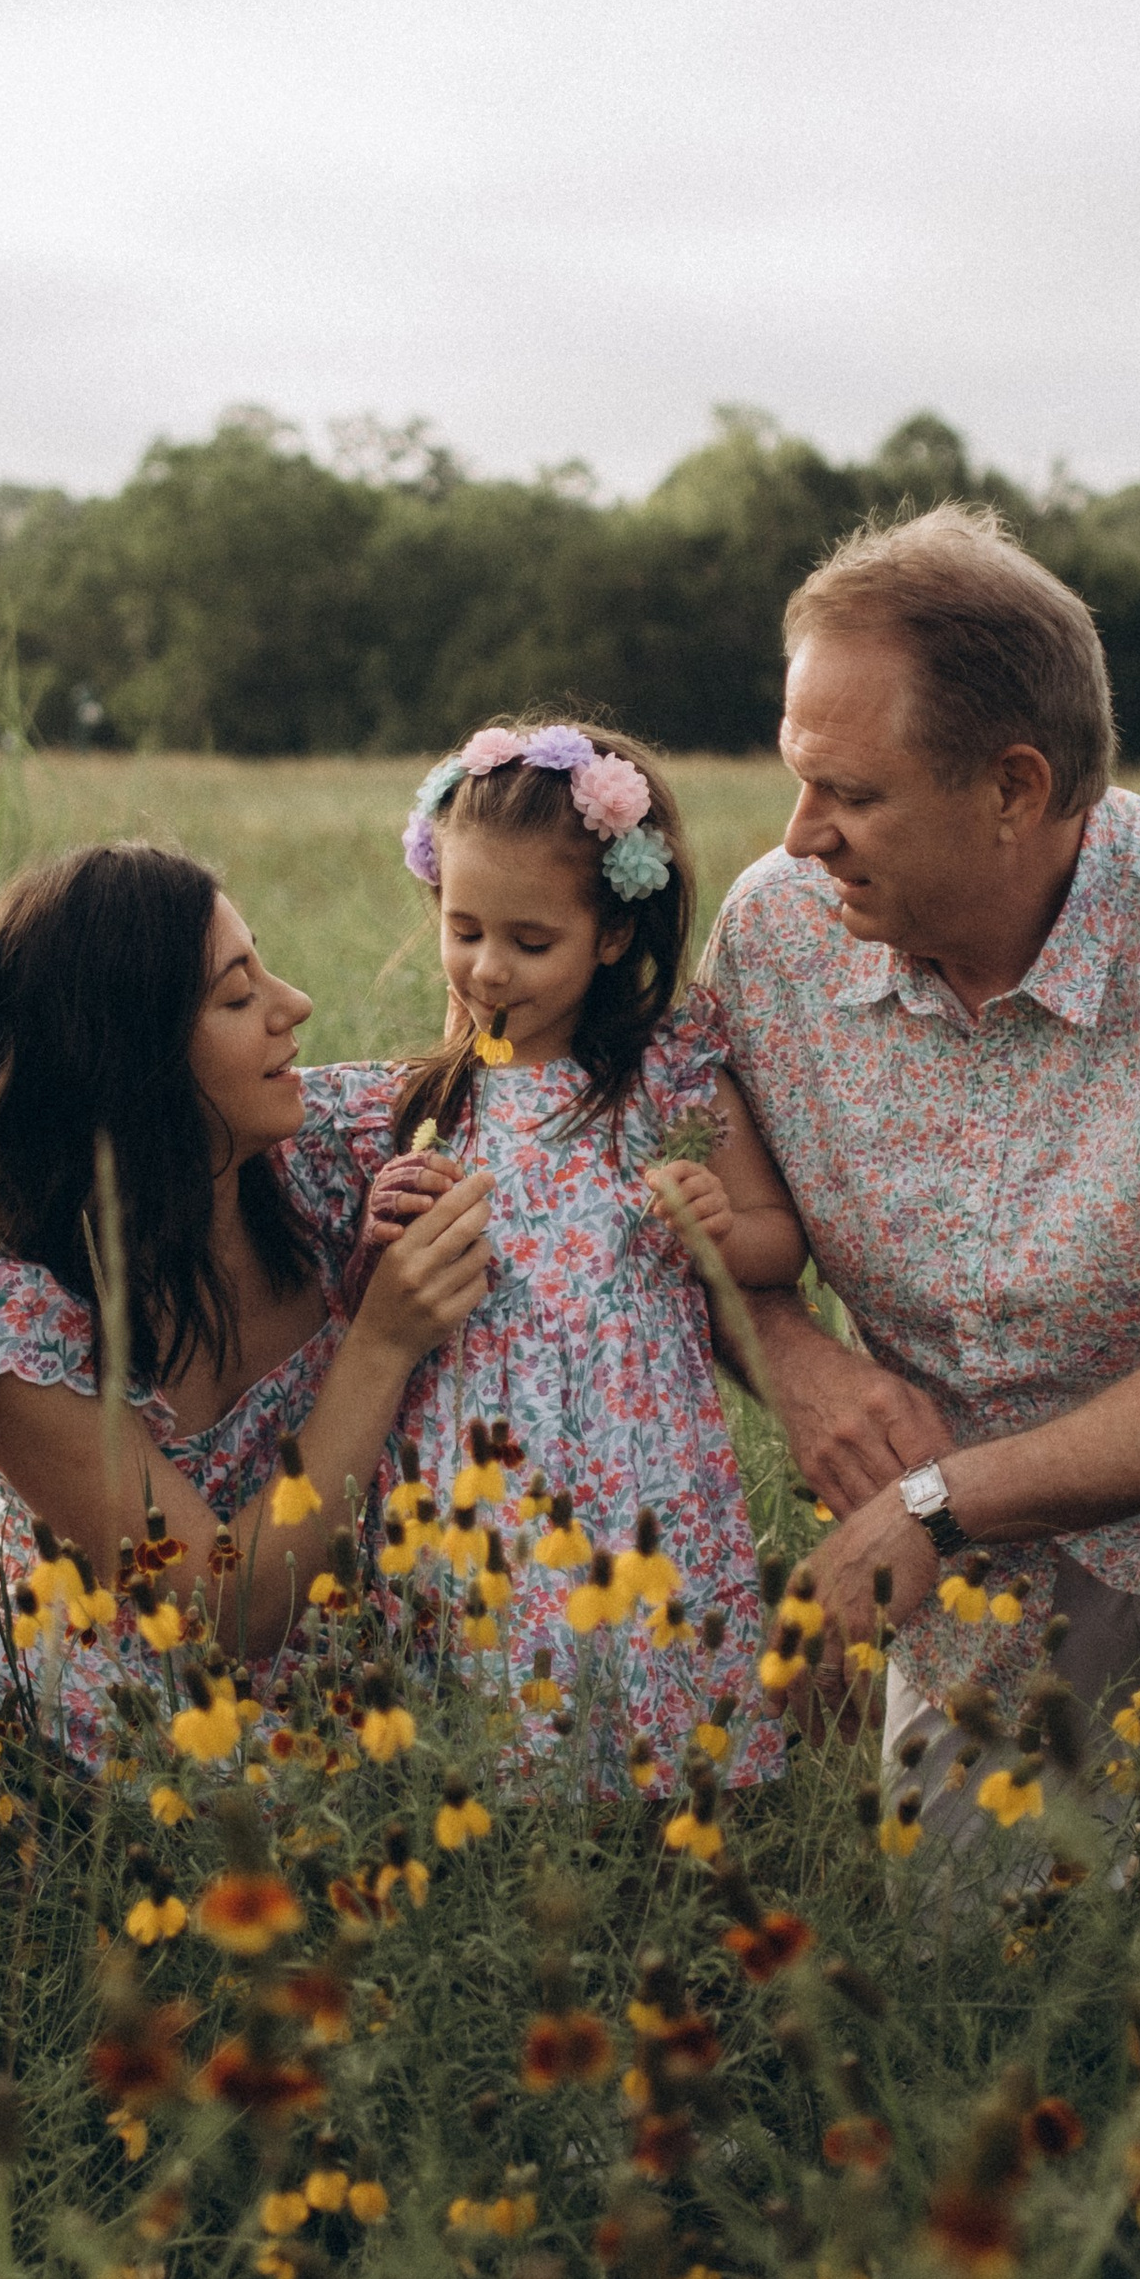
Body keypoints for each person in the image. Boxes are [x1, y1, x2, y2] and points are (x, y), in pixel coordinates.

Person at [704, 504, 1140, 1833]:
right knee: (973, 1970)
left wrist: (942, 1500)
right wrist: (799, 1370)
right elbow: (686, 1220)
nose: (802, 835)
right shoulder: (773, 936)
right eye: (800, 778)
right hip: (953, 1534)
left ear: (1015, 790)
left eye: (851, 793)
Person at [0, 842, 492, 1756]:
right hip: (127, 1658)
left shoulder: (329, 1156)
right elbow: (223, 1615)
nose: (294, 1006)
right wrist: (380, 1343)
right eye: (236, 996)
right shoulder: (11, 1322)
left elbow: (503, 1076)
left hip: (333, 1638)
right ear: (127, 1060)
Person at [333, 720, 809, 1788]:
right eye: (462, 930)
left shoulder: (663, 1079)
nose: (487, 968)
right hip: (467, 1459)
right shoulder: (421, 1103)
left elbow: (782, 1246)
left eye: (529, 942)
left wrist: (716, 1230)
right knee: (484, 1716)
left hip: (633, 1454)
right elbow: (360, 1301)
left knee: (640, 1709)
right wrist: (379, 1234)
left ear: (607, 935)